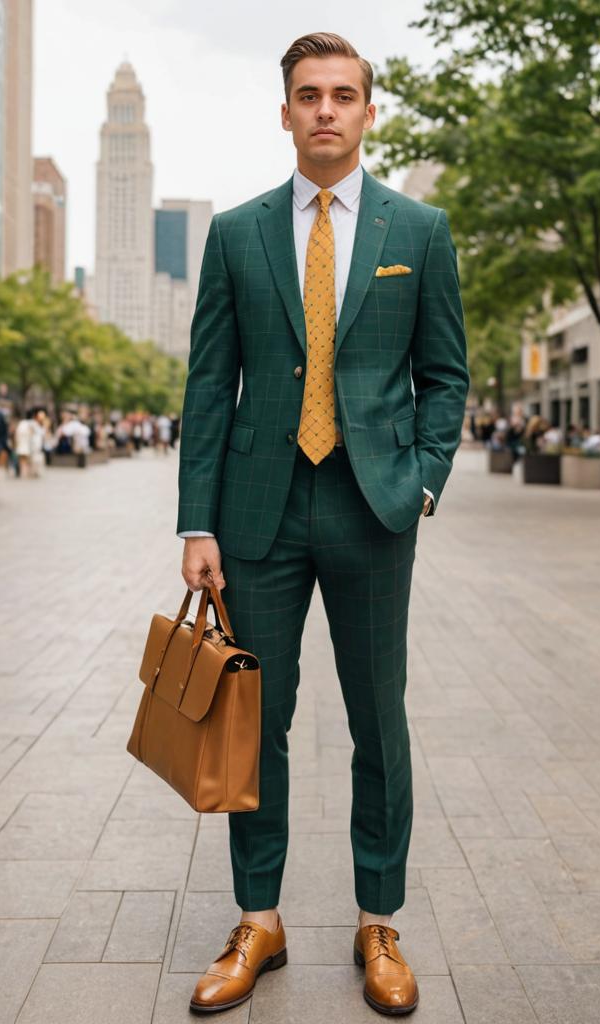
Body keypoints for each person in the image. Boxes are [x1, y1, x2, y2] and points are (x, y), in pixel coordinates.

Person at [176, 33, 469, 1017]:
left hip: (374, 507)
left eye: (344, 95)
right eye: (309, 95)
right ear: (285, 111)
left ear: (368, 112)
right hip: (257, 510)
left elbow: (446, 374)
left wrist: (423, 482)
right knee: (252, 722)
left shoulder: (418, 230)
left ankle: (377, 916)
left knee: (379, 721)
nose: (327, 111)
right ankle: (257, 916)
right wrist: (194, 523)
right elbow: (210, 383)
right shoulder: (236, 233)